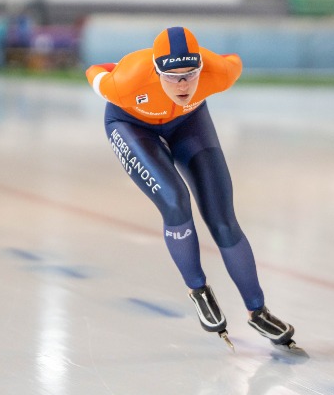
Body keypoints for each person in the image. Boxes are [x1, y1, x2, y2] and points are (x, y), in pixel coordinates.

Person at [85, 26, 295, 349]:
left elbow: (233, 61)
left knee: (222, 217)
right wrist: (109, 76)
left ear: (200, 67)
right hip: (130, 123)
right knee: (175, 200)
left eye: (189, 74)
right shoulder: (127, 81)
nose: (182, 84)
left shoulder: (217, 72)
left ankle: (258, 310)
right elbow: (95, 72)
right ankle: (197, 288)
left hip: (188, 121)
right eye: (171, 76)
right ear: (156, 70)